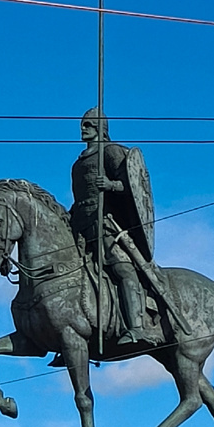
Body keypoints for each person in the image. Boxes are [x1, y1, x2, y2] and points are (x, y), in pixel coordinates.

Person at [70, 108, 154, 346]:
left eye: (88, 124)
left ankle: (137, 328)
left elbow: (133, 185)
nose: (83, 128)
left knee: (123, 270)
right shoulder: (78, 164)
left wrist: (111, 184)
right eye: (82, 124)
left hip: (108, 225)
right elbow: (80, 197)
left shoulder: (111, 152)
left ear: (100, 128)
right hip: (82, 225)